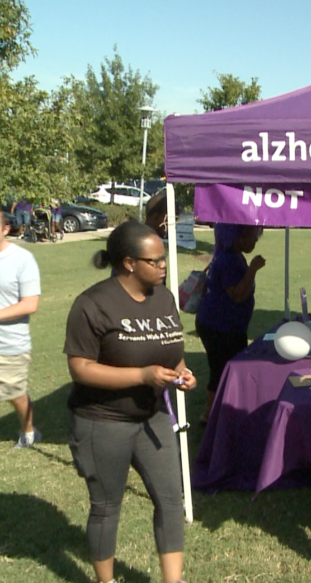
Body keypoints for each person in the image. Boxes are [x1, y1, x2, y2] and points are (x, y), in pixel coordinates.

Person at [64, 221, 196, 583]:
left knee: (171, 500)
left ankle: (174, 580)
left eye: (164, 259)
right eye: (154, 261)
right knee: (107, 507)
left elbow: (169, 348)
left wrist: (181, 372)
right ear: (128, 263)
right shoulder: (92, 304)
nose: (163, 266)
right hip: (101, 420)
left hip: (150, 418)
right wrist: (141, 376)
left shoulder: (164, 297)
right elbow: (80, 368)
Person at [195, 224, 265, 423]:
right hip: (220, 326)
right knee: (221, 369)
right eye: (252, 235)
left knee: (222, 368)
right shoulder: (228, 260)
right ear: (236, 237)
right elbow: (237, 295)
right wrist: (253, 269)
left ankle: (218, 411)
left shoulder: (229, 255)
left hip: (221, 324)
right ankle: (210, 415)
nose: (255, 240)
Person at [0, 211, 41, 447]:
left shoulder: (22, 259)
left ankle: (28, 431)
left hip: (10, 345)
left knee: (14, 395)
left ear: (6, 230)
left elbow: (30, 304)